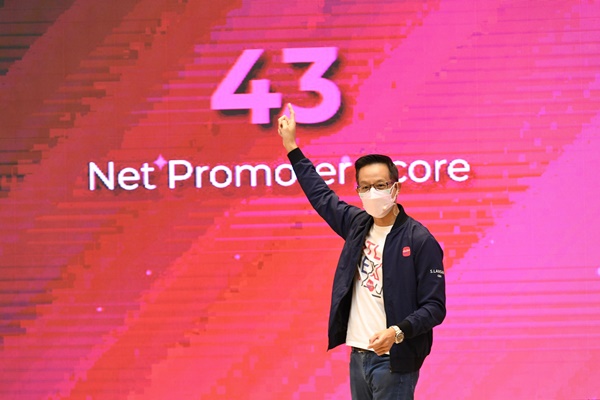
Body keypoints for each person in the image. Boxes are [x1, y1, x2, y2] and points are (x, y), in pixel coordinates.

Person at [277, 104, 446, 400]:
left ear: (396, 188)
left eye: (380, 185)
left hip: (394, 360)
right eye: (365, 187)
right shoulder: (357, 225)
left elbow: (434, 307)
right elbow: (320, 195)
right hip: (358, 356)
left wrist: (397, 332)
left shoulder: (419, 239)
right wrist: (292, 146)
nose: (373, 193)